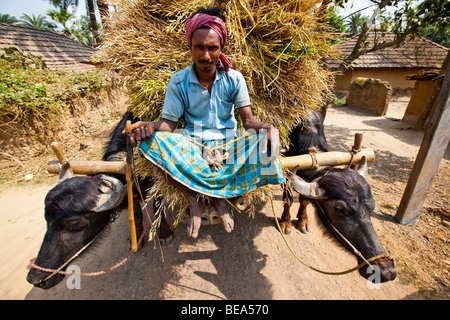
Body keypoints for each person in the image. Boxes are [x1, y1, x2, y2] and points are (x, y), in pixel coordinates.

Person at [127, 7, 284, 238]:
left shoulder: (234, 78)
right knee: (153, 143)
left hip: (230, 143)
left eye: (213, 48)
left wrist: (268, 129)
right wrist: (150, 126)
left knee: (263, 145)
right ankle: (194, 200)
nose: (206, 55)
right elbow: (169, 124)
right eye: (199, 47)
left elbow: (248, 121)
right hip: (192, 145)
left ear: (221, 49)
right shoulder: (178, 81)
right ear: (190, 47)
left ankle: (222, 198)